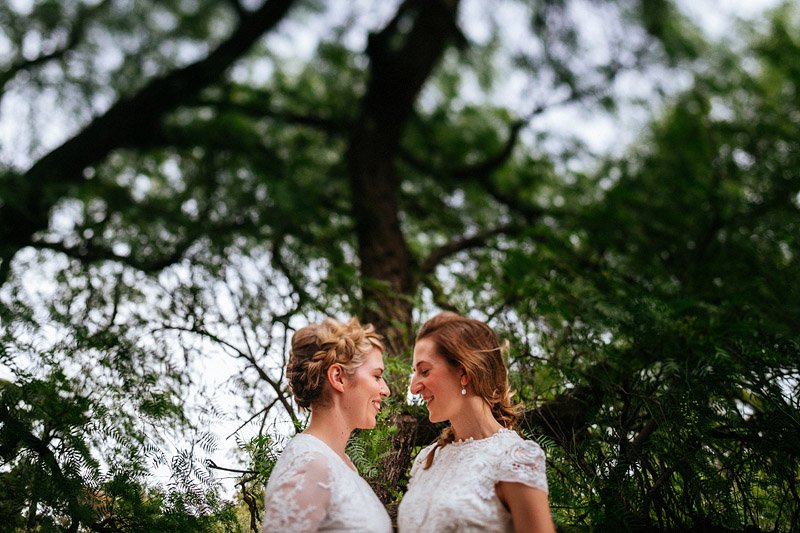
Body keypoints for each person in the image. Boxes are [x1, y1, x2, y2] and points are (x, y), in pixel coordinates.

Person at [397, 312, 556, 533]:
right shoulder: (426, 460)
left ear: (463, 372)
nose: (414, 387)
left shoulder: (514, 457)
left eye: (424, 371)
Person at [261, 317, 392, 533]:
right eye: (377, 376)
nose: (385, 390)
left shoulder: (342, 463)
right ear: (338, 377)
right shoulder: (309, 464)